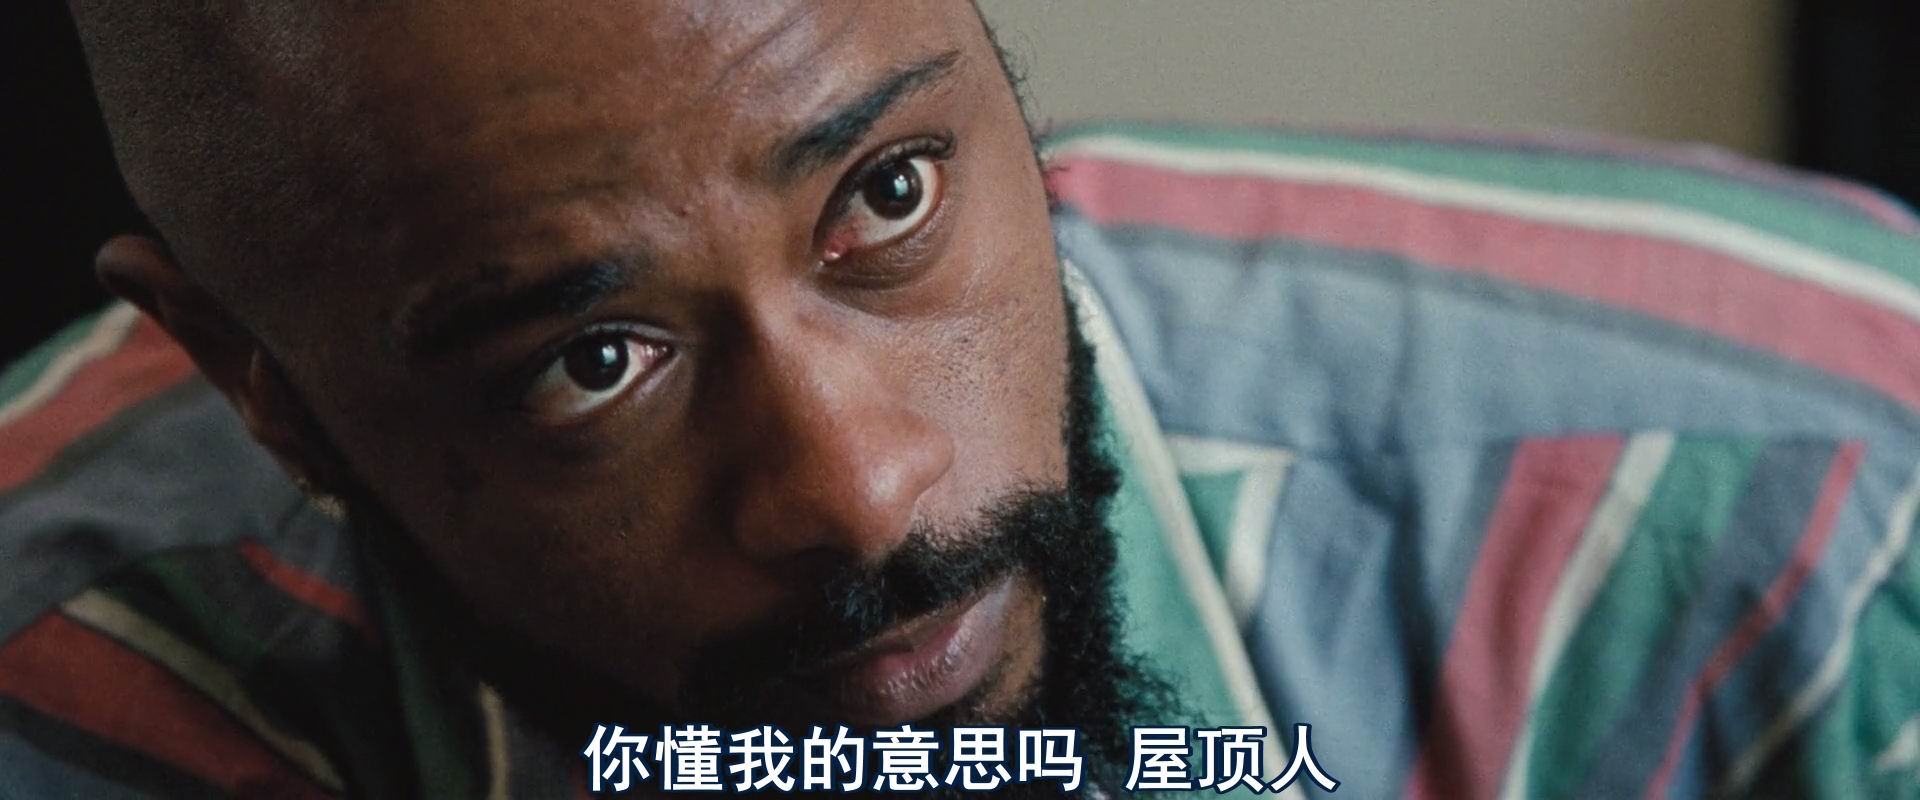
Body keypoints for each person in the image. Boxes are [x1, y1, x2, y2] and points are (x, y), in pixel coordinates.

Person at [3, 2, 1918, 797]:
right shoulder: (63, 690)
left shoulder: (1814, 519)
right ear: (261, 386)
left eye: (890, 196)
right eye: (590, 363)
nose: (859, 491)